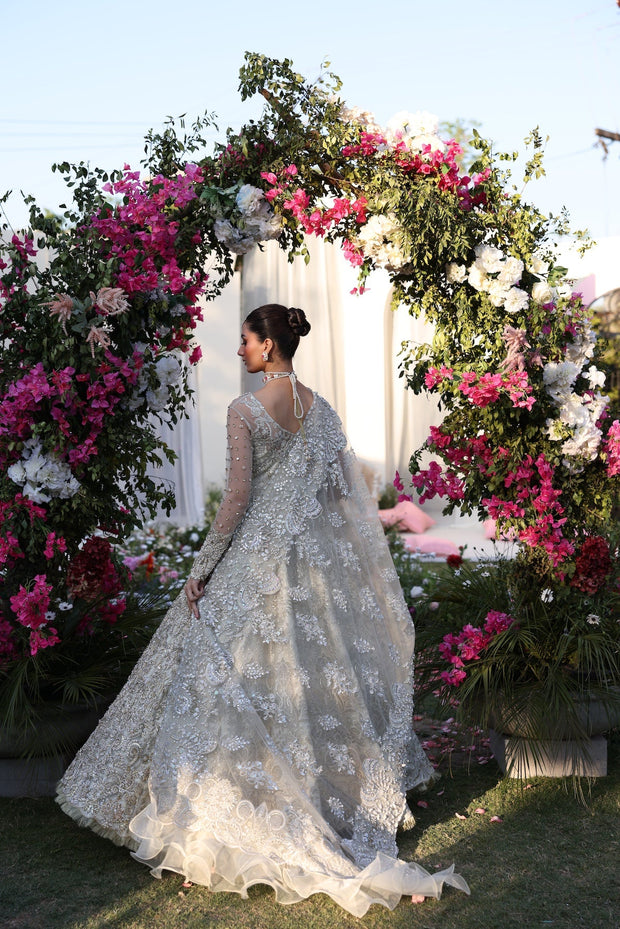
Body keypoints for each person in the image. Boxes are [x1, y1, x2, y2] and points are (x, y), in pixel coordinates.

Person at [56, 304, 469, 916]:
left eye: (246, 341)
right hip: (305, 568)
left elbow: (240, 497)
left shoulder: (245, 409)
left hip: (254, 561)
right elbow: (339, 496)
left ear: (270, 345)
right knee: (295, 683)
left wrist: (201, 569)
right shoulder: (321, 412)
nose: (240, 352)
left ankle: (223, 811)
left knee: (231, 678)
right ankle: (308, 796)